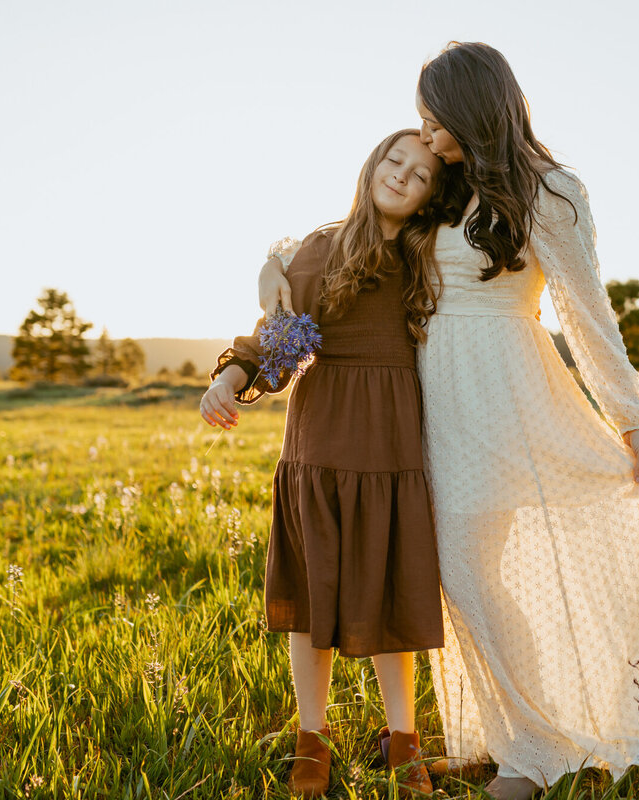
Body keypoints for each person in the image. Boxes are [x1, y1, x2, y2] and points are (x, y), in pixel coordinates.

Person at [260, 43, 639, 800]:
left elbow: (586, 312)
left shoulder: (553, 193)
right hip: (425, 401)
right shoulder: (448, 188)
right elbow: (352, 232)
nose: (428, 140)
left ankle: (534, 755)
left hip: (503, 395)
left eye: (437, 124)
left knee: (472, 574)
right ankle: (501, 735)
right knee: (450, 578)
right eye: (423, 126)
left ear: (475, 109)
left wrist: (632, 418)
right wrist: (272, 262)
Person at [203, 129, 453, 797]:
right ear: (372, 166)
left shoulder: (431, 253)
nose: (402, 176)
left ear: (434, 194)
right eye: (394, 161)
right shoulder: (321, 248)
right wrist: (229, 382)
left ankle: (404, 740)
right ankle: (312, 739)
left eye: (421, 174)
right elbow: (276, 340)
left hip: (393, 451)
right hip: (319, 449)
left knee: (391, 598)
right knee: (313, 605)